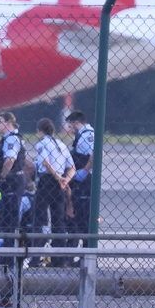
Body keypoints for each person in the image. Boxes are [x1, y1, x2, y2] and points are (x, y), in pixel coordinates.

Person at [32, 118, 74, 267]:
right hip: (59, 186)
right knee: (59, 221)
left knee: (40, 220)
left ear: (40, 131)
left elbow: (45, 162)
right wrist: (64, 180)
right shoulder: (62, 145)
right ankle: (59, 259)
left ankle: (35, 258)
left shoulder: (43, 144)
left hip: (46, 182)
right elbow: (72, 167)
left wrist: (57, 176)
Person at [57, 111, 95, 267]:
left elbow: (93, 155)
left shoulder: (87, 136)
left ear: (75, 123)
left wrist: (84, 171)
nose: (69, 128)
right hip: (82, 181)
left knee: (82, 220)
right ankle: (73, 256)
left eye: (70, 125)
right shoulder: (84, 134)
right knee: (77, 220)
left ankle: (85, 258)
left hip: (85, 183)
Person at [0, 112, 24, 240]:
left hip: (11, 180)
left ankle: (10, 255)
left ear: (9, 123)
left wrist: (3, 175)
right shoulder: (7, 138)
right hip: (11, 181)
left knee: (10, 218)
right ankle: (7, 254)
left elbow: (10, 160)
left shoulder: (11, 138)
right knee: (7, 215)